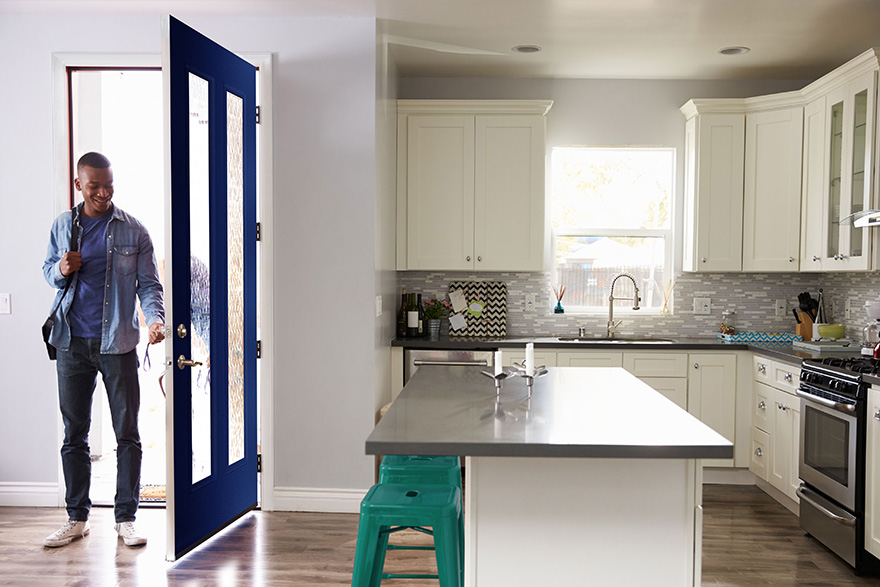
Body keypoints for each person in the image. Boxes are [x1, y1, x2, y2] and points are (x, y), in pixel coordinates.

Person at [41, 152, 165, 548]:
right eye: (94, 185)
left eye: (108, 184)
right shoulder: (63, 225)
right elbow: (47, 271)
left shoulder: (134, 231)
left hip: (118, 343)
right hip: (71, 343)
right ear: (79, 185)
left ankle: (126, 518)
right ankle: (77, 518)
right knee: (73, 433)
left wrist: (155, 320)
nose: (103, 192)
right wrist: (62, 269)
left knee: (126, 433)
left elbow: (150, 286)